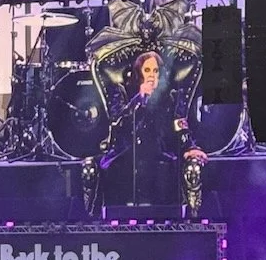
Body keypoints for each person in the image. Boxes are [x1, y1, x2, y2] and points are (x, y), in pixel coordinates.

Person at [88, 51, 208, 210]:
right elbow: (119, 125)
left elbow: (179, 126)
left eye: (155, 71)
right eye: (147, 70)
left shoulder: (171, 96)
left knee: (174, 166)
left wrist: (190, 148)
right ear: (138, 74)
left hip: (159, 151)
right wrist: (140, 99)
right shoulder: (123, 93)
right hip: (126, 151)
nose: (152, 75)